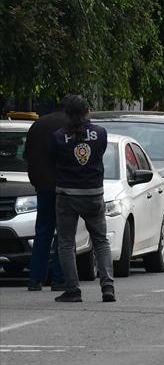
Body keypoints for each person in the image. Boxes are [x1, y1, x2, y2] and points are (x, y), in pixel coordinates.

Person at [51, 95, 113, 303]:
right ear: (88, 112)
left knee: (67, 243)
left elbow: (54, 161)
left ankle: (73, 289)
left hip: (67, 195)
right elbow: (100, 153)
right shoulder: (101, 133)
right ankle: (107, 287)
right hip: (94, 193)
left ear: (66, 115)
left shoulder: (59, 136)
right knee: (101, 241)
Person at [23, 102, 68, 291]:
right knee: (64, 234)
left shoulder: (38, 125)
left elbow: (27, 155)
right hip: (66, 187)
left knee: (43, 232)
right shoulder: (71, 125)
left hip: (43, 186)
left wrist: (36, 180)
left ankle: (35, 278)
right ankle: (59, 279)